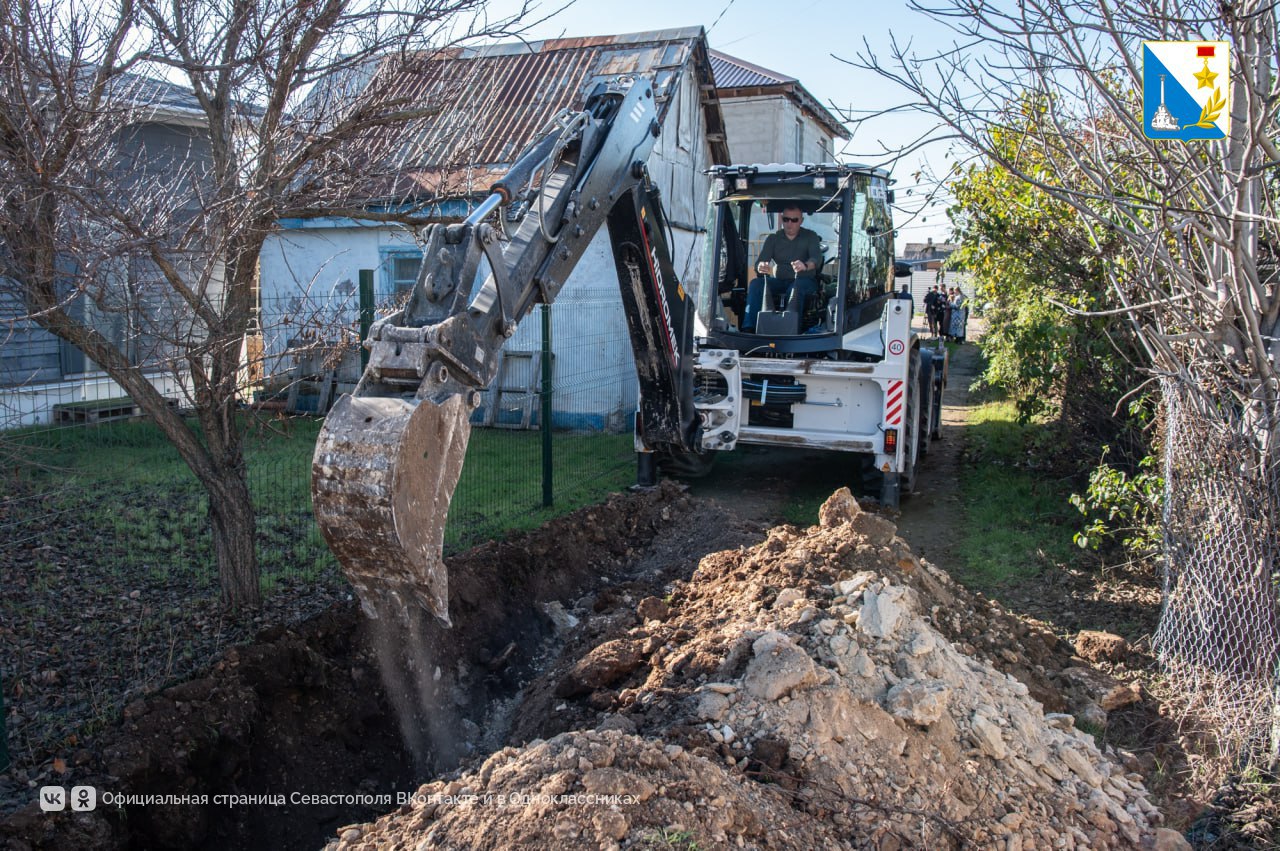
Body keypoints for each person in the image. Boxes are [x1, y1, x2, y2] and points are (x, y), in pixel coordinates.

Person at [743, 205, 822, 332]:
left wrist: (805, 265)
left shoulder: (810, 236)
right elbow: (760, 263)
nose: (790, 223)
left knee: (795, 289)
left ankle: (793, 330)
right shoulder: (773, 239)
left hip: (804, 280)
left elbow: (816, 259)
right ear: (782, 219)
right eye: (786, 219)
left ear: (801, 220)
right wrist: (761, 266)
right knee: (756, 284)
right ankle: (749, 328)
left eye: (794, 220)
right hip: (779, 281)